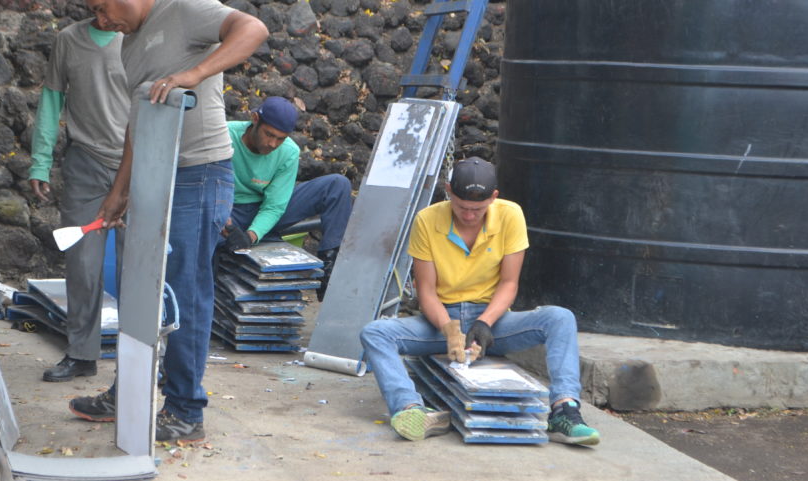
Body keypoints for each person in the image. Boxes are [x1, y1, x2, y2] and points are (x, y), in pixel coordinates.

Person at [67, 0, 269, 442]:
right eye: (94, 15)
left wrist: (194, 73)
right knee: (141, 285)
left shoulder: (183, 8)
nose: (101, 21)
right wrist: (120, 193)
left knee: (185, 289)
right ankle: (132, 390)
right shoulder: (129, 44)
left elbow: (253, 29)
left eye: (101, 8)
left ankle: (185, 410)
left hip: (200, 175)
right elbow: (139, 122)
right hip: (155, 175)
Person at [359, 157, 600, 446]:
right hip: (441, 322)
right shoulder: (427, 220)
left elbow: (510, 284)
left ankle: (564, 409)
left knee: (560, 318)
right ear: (448, 191)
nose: (470, 215)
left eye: (478, 209)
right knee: (375, 333)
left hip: (493, 320)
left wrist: (485, 323)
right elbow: (426, 291)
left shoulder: (511, 215)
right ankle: (411, 409)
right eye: (461, 207)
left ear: (494, 197)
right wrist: (448, 329)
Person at [30, 17, 133, 383]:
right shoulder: (69, 40)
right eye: (94, 7)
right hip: (86, 164)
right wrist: (40, 161)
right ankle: (81, 354)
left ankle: (143, 358)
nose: (103, 14)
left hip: (136, 165)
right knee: (83, 265)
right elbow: (51, 100)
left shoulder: (139, 36)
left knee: (137, 267)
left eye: (107, 6)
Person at [222, 96, 352, 300]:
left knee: (338, 185)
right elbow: (205, 187)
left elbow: (274, 206)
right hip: (228, 210)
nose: (273, 144)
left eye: (280, 138)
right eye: (269, 135)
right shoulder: (224, 135)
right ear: (255, 119)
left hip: (265, 210)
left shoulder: (289, 151)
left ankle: (328, 270)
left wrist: (251, 236)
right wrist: (223, 221)